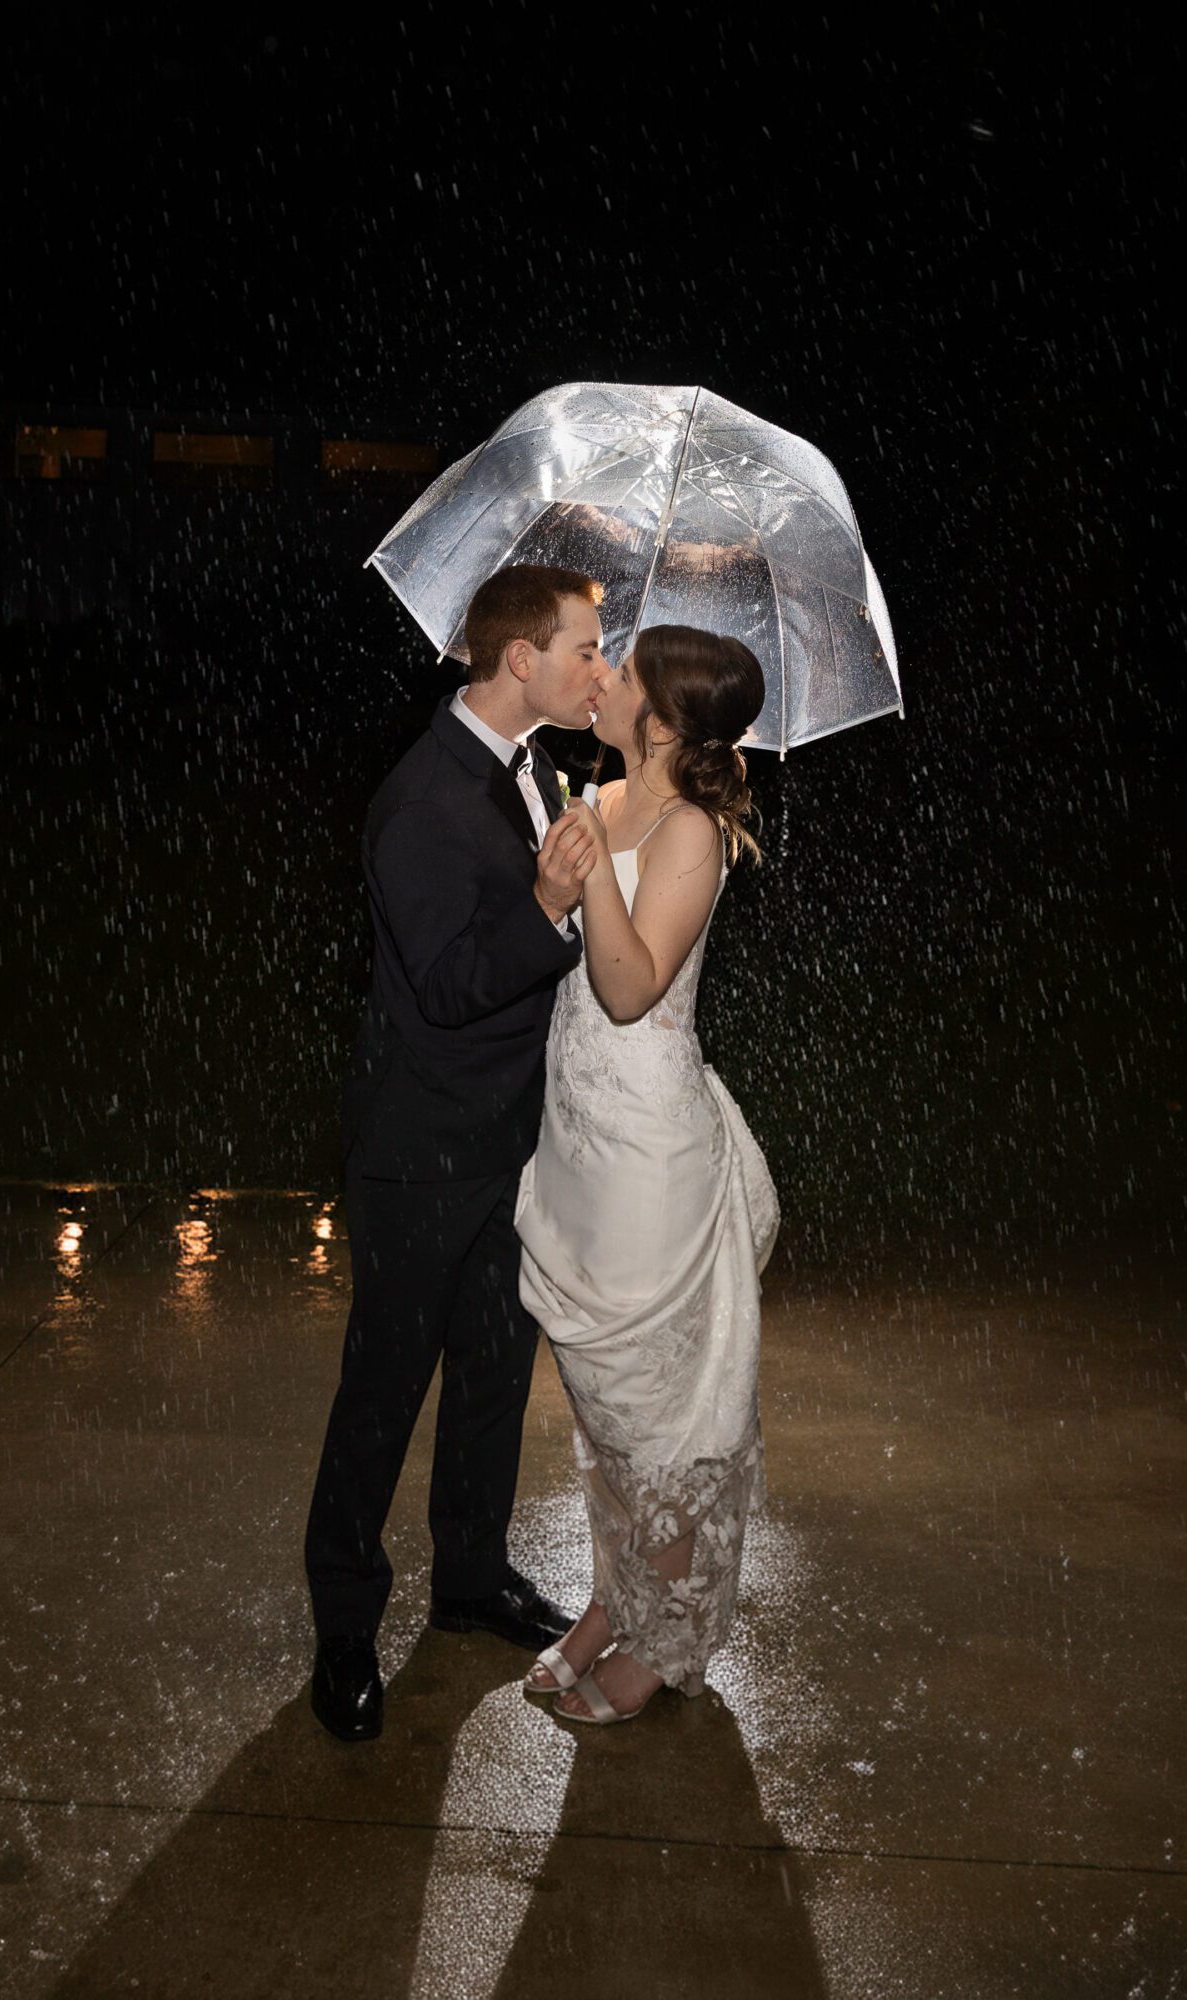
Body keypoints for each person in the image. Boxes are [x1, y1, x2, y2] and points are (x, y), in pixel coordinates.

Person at [304, 562, 606, 1741]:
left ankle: (470, 1577)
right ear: (519, 658)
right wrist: (541, 905)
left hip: (513, 1138)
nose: (599, 667)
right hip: (422, 1144)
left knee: (492, 1367)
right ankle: (342, 1627)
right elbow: (445, 984)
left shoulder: (538, 767)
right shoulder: (420, 800)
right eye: (583, 646)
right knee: (383, 1389)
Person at [516, 624, 780, 1725]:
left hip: (646, 1157)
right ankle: (609, 1599)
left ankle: (663, 1645)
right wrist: (561, 859)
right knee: (598, 1405)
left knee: (652, 1416)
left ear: (661, 722)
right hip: (577, 1136)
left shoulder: (689, 832)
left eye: (619, 675)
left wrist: (590, 866)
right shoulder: (611, 798)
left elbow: (627, 986)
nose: (600, 679)